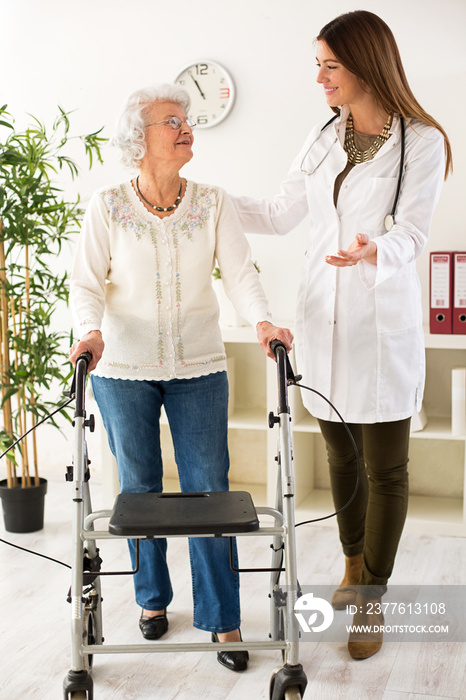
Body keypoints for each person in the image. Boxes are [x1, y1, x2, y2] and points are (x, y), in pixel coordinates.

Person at [230, 10, 452, 660]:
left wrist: (372, 250)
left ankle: (371, 596)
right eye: (318, 65)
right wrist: (207, 199)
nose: (320, 77)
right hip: (322, 328)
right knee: (340, 459)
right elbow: (279, 213)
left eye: (330, 64)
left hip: (379, 326)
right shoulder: (323, 135)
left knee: (386, 469)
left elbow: (413, 233)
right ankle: (353, 569)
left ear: (366, 64)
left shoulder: (423, 140)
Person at [69, 83, 293, 673]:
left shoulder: (212, 203)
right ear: (138, 138)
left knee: (209, 494)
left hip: (199, 367)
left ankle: (223, 618)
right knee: (139, 489)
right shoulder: (108, 206)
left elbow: (241, 274)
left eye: (187, 118)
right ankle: (151, 600)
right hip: (121, 369)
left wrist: (265, 321)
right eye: (172, 120)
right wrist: (89, 332)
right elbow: (87, 284)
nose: (185, 127)